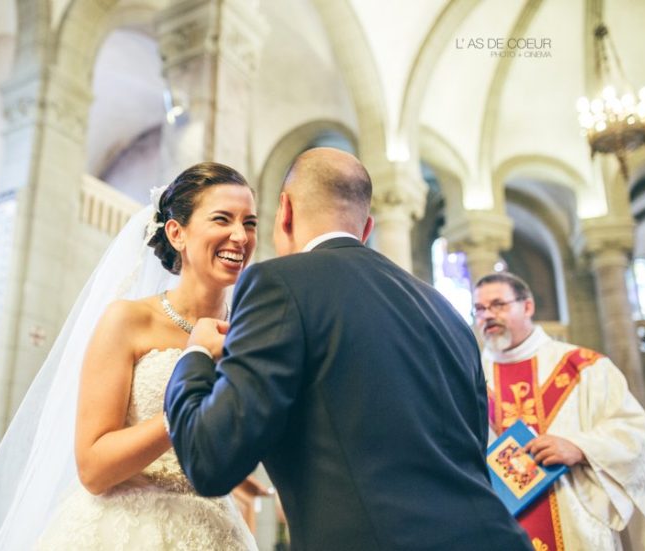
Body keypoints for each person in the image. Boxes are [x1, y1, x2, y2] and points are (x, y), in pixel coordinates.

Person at [164, 147, 532, 551]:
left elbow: (210, 459)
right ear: (367, 227)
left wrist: (195, 354)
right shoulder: (448, 312)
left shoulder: (278, 283)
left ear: (284, 211)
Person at [0, 162, 259, 550]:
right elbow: (94, 469)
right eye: (223, 219)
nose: (239, 236)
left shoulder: (249, 334)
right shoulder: (128, 320)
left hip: (215, 531)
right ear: (177, 232)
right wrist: (187, 411)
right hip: (125, 529)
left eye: (249, 223)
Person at [473, 271, 645, 550]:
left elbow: (633, 431)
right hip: (496, 528)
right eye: (480, 309)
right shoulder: (468, 379)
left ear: (528, 306)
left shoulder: (585, 367)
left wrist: (580, 448)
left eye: (498, 304)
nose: (487, 315)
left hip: (576, 525)